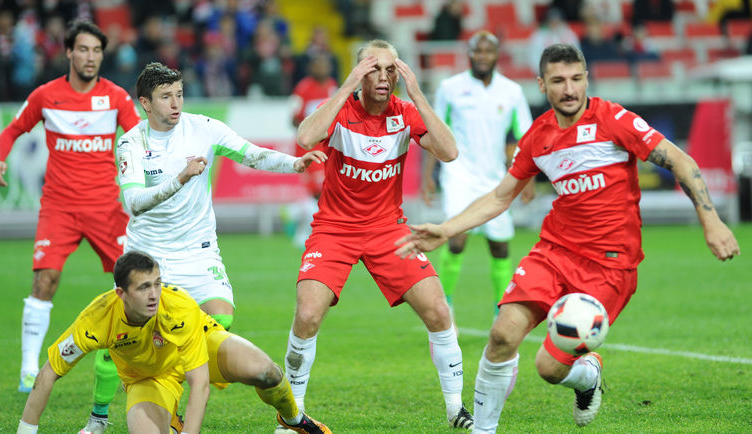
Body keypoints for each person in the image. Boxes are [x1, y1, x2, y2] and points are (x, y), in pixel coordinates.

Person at [396, 43, 740, 433]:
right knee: (502, 335)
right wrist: (447, 228)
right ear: (542, 85)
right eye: (558, 80)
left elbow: (679, 160)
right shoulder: (538, 137)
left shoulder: (614, 120)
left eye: (577, 78)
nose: (570, 89)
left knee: (548, 367)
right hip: (554, 253)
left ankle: (587, 377)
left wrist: (711, 221)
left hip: (610, 265)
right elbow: (500, 197)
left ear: (587, 79)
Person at [77, 61, 327, 433]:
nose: (175, 103)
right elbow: (133, 202)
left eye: (179, 94)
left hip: (198, 250)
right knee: (122, 339)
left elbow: (250, 153)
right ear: (145, 103)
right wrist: (179, 179)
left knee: (219, 322)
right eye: (166, 96)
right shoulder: (132, 142)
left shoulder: (203, 128)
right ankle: (98, 418)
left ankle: (171, 398)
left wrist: (295, 164)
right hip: (149, 255)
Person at [281, 39, 474, 432]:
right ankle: (291, 416)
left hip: (388, 229)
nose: (384, 77)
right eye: (374, 69)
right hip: (335, 229)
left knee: (439, 311)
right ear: (360, 74)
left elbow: (450, 151)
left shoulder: (405, 112)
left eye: (390, 69)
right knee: (307, 314)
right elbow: (305, 137)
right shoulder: (341, 110)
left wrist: (418, 94)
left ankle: (456, 409)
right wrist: (347, 84)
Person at [16, 251, 331, 434]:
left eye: (157, 283)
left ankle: (293, 418)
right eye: (143, 288)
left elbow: (200, 383)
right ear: (120, 294)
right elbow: (49, 373)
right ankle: (171, 419)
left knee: (267, 372)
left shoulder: (177, 305)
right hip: (147, 378)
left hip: (200, 345)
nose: (154, 294)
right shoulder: (96, 319)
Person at [0, 20, 141, 394]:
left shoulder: (116, 97)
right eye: (84, 49)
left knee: (133, 282)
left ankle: (138, 363)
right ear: (69, 52)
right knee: (45, 280)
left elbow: (140, 138)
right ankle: (28, 370)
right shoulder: (46, 95)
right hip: (59, 208)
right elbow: (11, 130)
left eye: (97, 51)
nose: (91, 57)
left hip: (105, 208)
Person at [424, 31, 534, 322]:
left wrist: (529, 179)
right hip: (458, 176)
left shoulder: (512, 92)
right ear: (469, 54)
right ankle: (444, 306)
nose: (482, 56)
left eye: (488, 51)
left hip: (495, 180)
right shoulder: (450, 88)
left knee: (500, 247)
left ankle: (501, 309)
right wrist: (428, 176)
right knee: (455, 239)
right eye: (477, 51)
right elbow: (434, 132)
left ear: (497, 55)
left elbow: (526, 138)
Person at [285, 53, 338, 249]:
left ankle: (294, 214)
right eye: (318, 64)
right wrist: (312, 126)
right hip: (308, 148)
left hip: (326, 146)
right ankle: (304, 230)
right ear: (311, 68)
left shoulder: (332, 86)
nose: (323, 68)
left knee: (323, 190)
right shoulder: (302, 89)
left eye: (325, 64)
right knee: (318, 191)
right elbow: (293, 119)